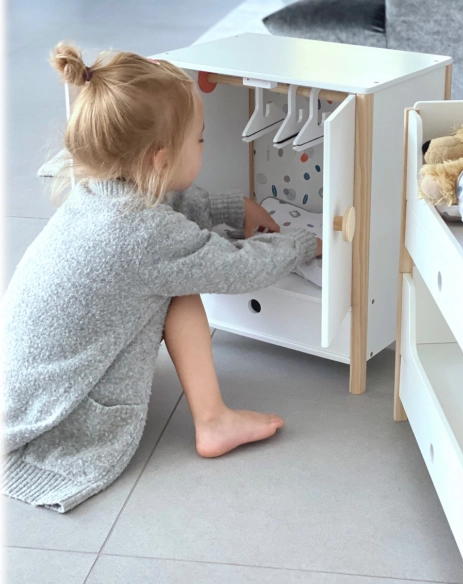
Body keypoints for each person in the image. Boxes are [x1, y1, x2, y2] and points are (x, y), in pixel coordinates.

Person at [2, 42, 321, 513]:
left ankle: (213, 419)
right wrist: (301, 242)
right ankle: (213, 420)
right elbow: (239, 267)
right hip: (64, 410)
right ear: (160, 158)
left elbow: (168, 205)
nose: (204, 147)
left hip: (23, 381)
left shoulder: (98, 191)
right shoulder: (143, 236)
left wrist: (233, 207)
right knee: (180, 281)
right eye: (200, 140)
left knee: (176, 281)